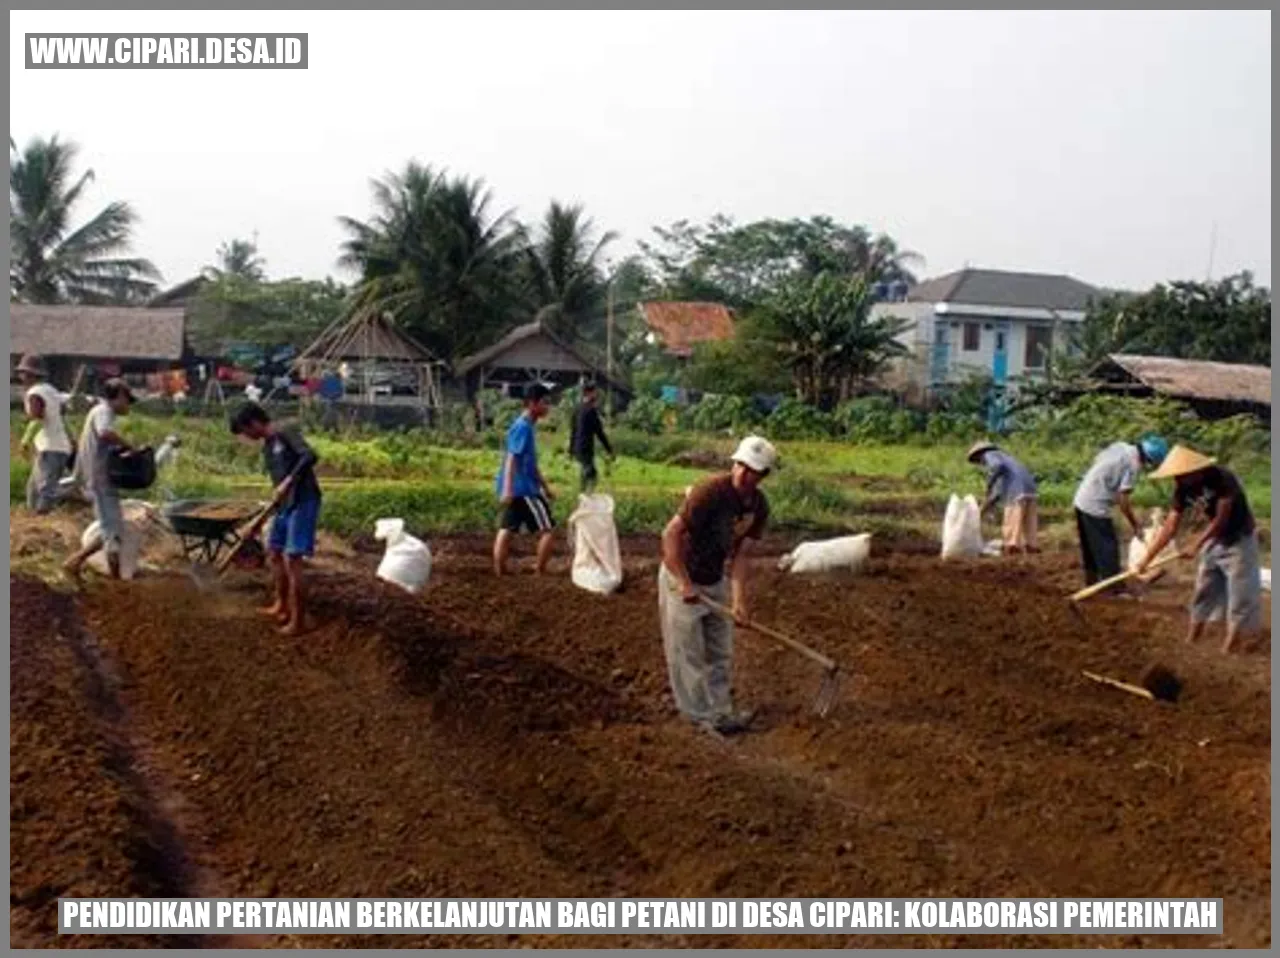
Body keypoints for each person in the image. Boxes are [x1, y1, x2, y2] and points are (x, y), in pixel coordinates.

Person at [659, 434, 777, 736]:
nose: (743, 473)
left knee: (720, 651)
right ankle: (699, 719)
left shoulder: (758, 507)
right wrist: (685, 583)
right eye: (740, 465)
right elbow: (670, 535)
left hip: (714, 578)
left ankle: (721, 712)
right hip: (682, 574)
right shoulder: (709, 491)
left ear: (763, 475)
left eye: (752, 470)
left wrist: (739, 601)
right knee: (688, 653)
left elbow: (741, 556)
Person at [1136, 446, 1262, 654]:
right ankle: (1192, 639)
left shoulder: (1222, 478)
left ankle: (1229, 648)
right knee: (1204, 589)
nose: (1177, 480)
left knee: (1240, 597)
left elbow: (1221, 519)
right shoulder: (1182, 488)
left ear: (1195, 471)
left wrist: (1196, 544)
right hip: (1214, 540)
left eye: (1181, 475)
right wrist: (1147, 559)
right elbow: (1170, 525)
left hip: (1239, 539)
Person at [230, 402, 323, 636]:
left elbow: (310, 455)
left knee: (293, 559)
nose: (246, 437)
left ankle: (299, 621)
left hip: (303, 500)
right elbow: (278, 488)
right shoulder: (268, 446)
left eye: (244, 431)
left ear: (254, 423)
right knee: (274, 553)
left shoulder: (285, 431)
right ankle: (280, 605)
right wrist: (261, 520)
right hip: (284, 505)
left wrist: (289, 481)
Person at [1071, 434, 1168, 591]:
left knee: (1090, 547)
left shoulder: (1121, 446)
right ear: (1148, 459)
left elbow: (1100, 462)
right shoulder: (1133, 464)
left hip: (1081, 497)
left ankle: (1092, 583)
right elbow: (1123, 501)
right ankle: (1114, 589)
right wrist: (1135, 525)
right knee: (1108, 547)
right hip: (1095, 503)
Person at [63, 379, 136, 581]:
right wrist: (129, 446)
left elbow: (103, 442)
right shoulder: (104, 411)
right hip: (99, 479)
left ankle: (76, 561)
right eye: (127, 399)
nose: (128, 404)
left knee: (112, 528)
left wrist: (120, 450)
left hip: (99, 477)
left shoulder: (99, 411)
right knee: (112, 531)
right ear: (119, 396)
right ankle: (114, 580)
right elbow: (105, 433)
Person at [493, 383, 556, 576]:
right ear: (532, 404)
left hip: (520, 487)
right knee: (548, 530)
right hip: (524, 490)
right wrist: (508, 489)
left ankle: (500, 570)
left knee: (507, 529)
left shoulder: (524, 425)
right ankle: (539, 570)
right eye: (544, 403)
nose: (548, 407)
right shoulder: (523, 427)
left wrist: (545, 486)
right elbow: (512, 459)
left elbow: (530, 463)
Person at [16, 354, 72, 514]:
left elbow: (38, 418)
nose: (21, 377)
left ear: (31, 375)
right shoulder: (51, 390)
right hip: (59, 446)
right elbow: (61, 417)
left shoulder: (35, 393)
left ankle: (43, 519)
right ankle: (35, 517)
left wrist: (25, 440)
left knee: (44, 489)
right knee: (34, 489)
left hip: (50, 447)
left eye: (23, 373)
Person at [967, 440, 1039, 555]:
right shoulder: (1007, 458)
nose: (981, 464)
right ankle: (1032, 546)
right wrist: (985, 507)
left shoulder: (990, 455)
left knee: (1011, 518)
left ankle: (1012, 546)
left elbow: (996, 467)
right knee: (1029, 520)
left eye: (978, 461)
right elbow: (998, 493)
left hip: (1016, 489)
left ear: (979, 454)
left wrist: (989, 484)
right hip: (1030, 488)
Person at [569, 382, 614, 493]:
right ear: (588, 393)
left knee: (585, 472)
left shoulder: (577, 409)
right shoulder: (591, 410)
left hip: (578, 447)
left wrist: (571, 449)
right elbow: (599, 432)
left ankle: (583, 494)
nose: (596, 395)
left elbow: (573, 431)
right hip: (586, 447)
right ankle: (585, 496)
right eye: (594, 392)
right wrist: (609, 449)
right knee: (591, 474)